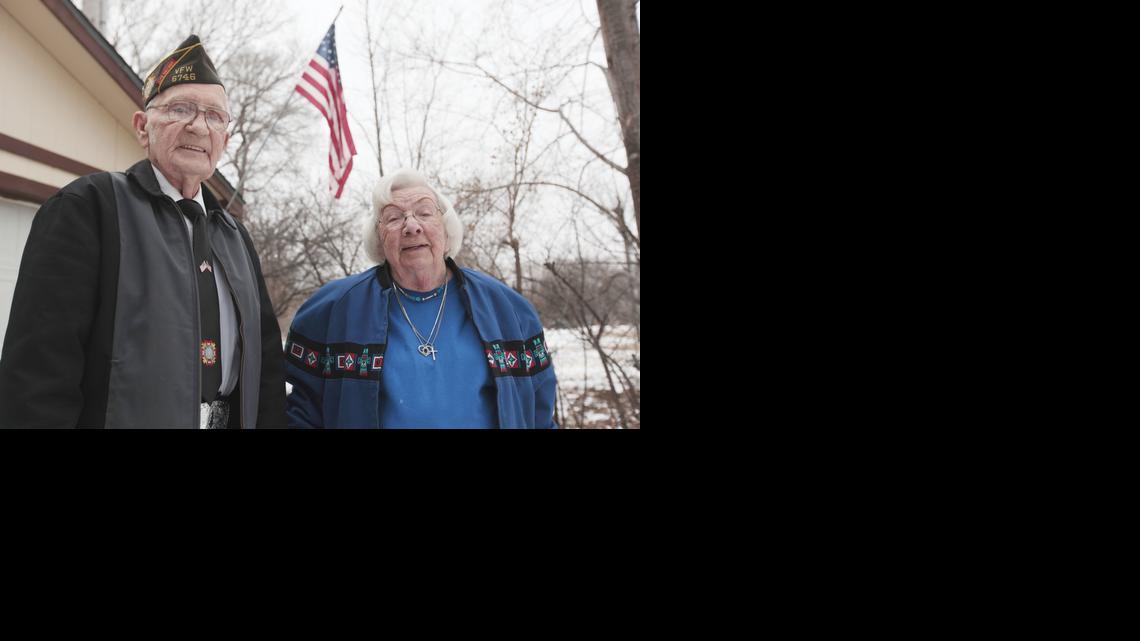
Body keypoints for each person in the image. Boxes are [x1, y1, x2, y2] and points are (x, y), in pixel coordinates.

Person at [0, 35, 285, 428]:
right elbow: (38, 371)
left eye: (215, 116)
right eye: (180, 109)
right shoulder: (89, 208)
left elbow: (267, 372)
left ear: (226, 140)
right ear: (142, 126)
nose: (198, 127)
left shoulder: (236, 238)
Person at [285, 168, 557, 428]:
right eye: (393, 218)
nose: (411, 226)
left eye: (424, 213)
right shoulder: (336, 310)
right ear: (378, 238)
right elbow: (302, 412)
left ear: (445, 227)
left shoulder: (506, 309)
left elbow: (539, 413)